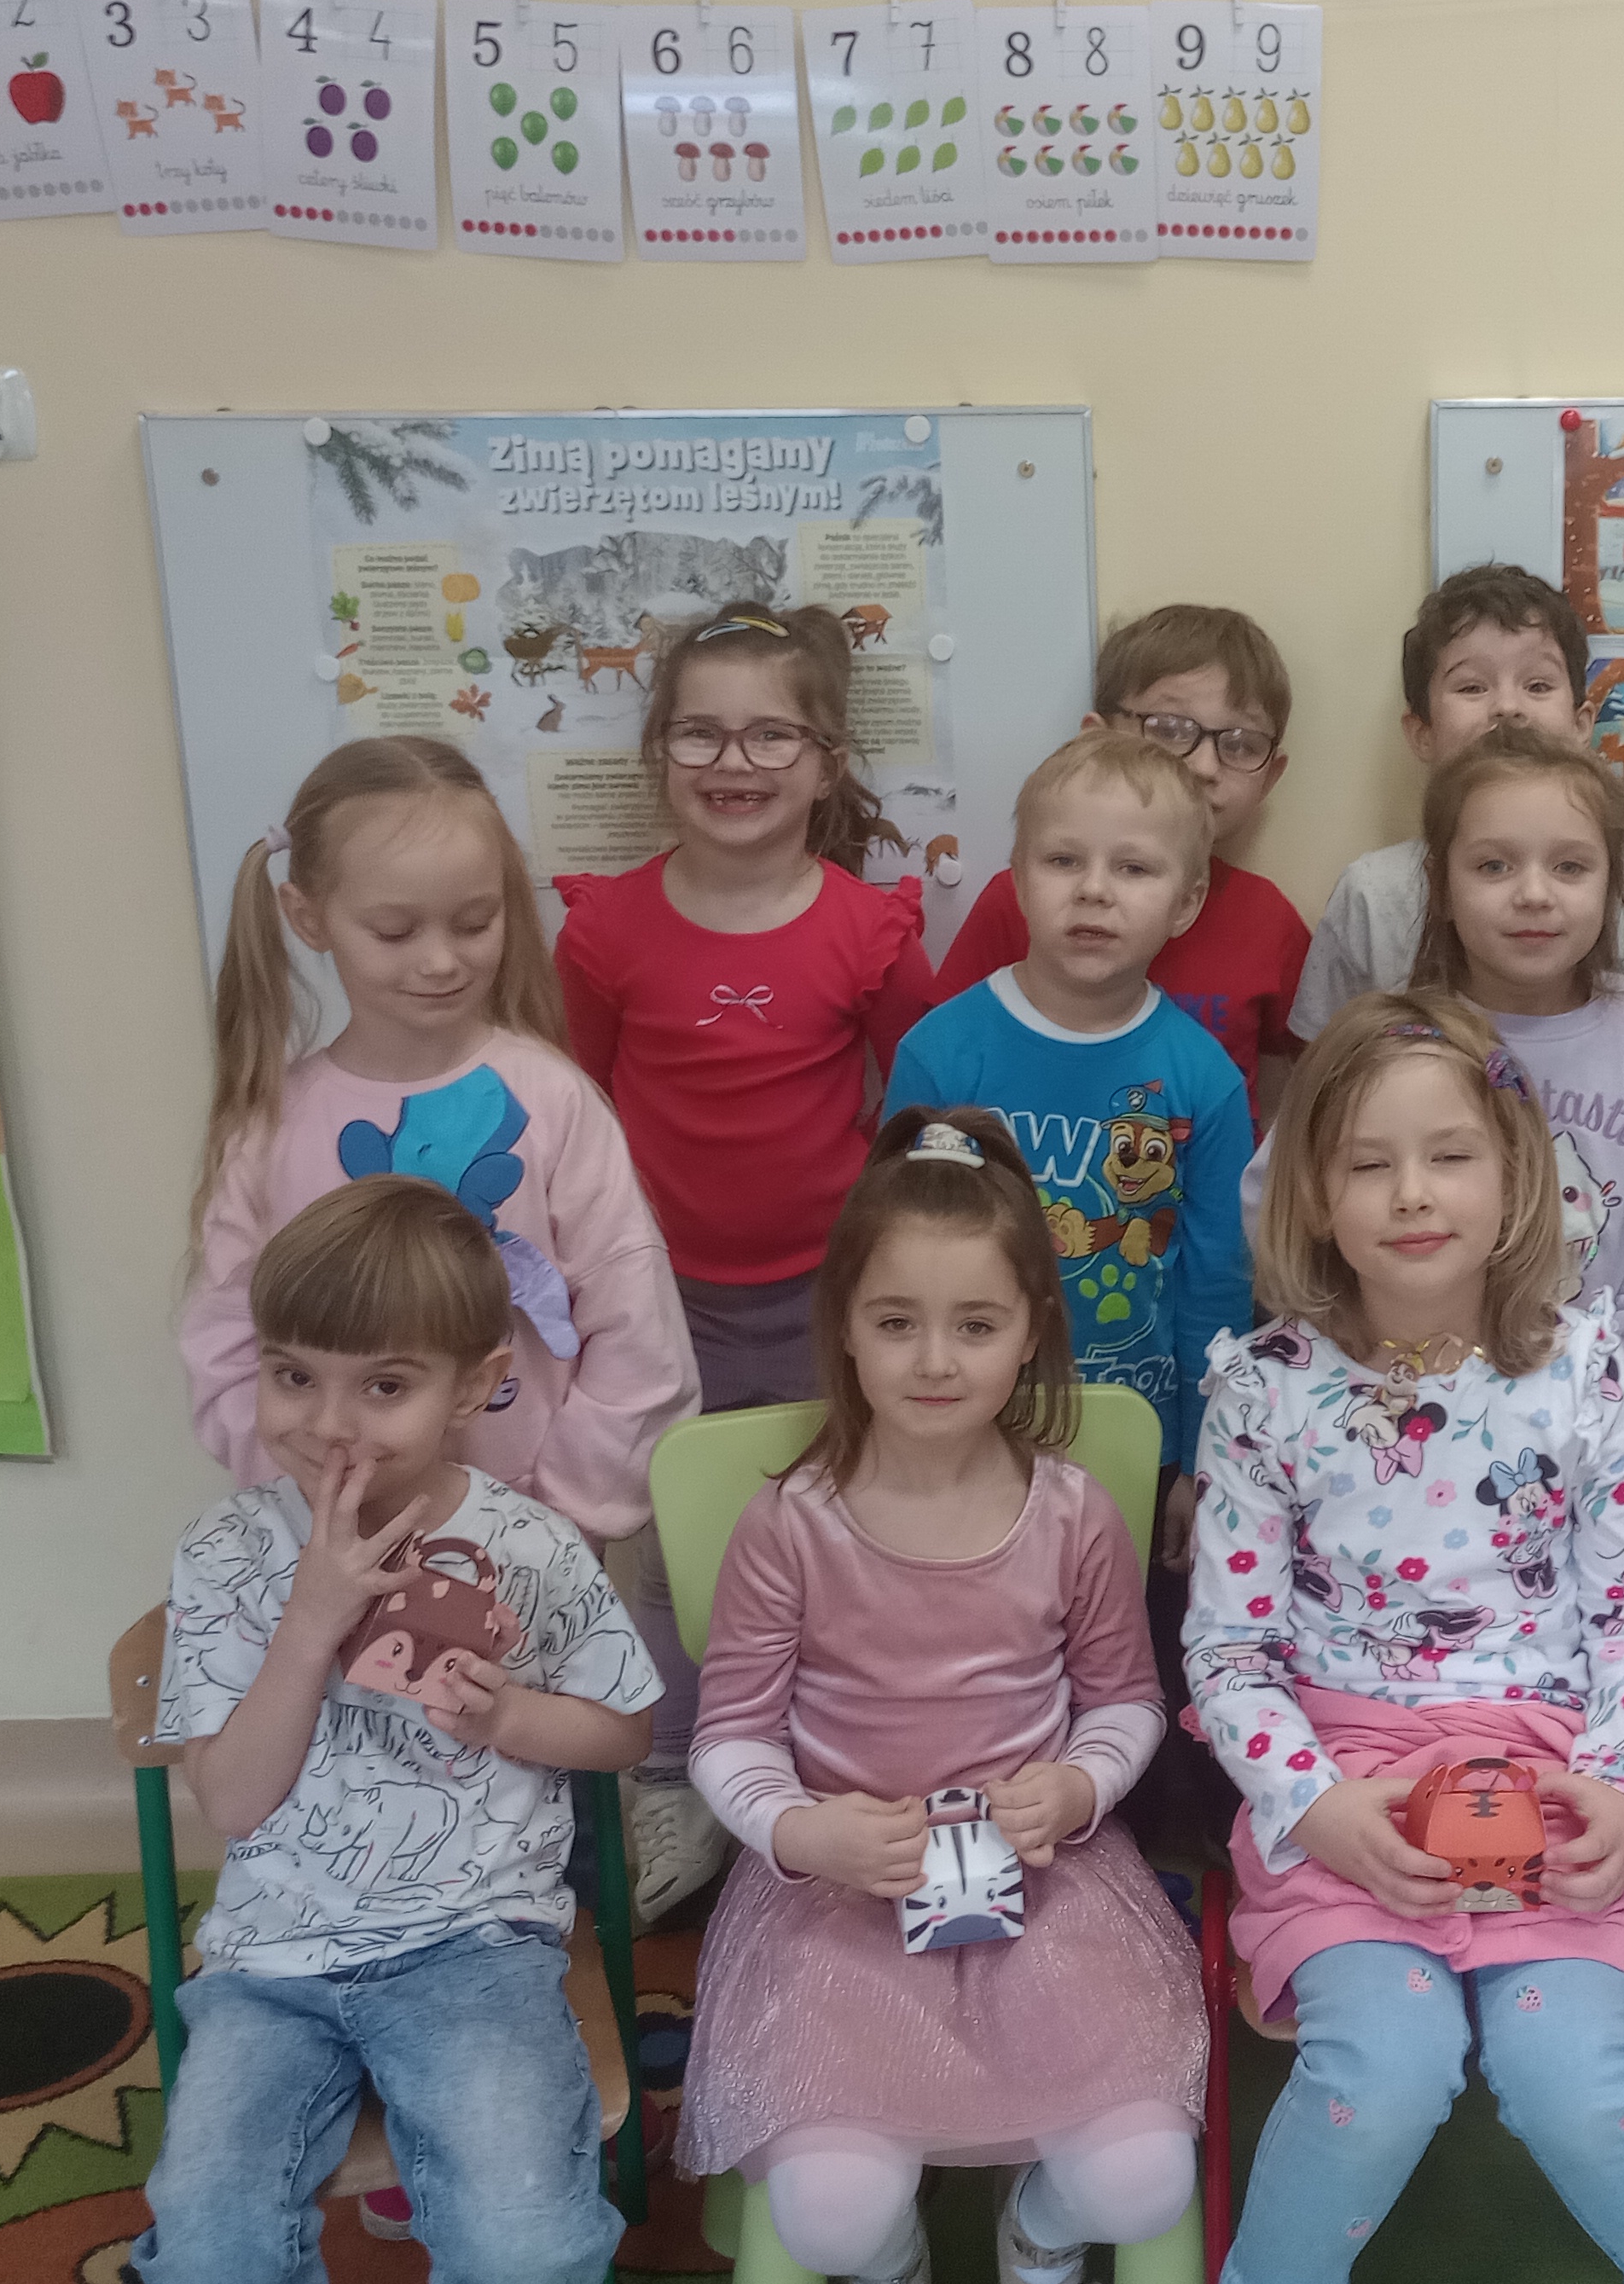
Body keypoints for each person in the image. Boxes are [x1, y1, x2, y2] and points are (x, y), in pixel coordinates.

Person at [1186, 993, 1624, 2284]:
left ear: (1513, 1177)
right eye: (1368, 1162)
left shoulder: (1587, 1374)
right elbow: (1229, 1653)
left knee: (1575, 2080)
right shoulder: (1264, 1392)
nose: (1411, 1193)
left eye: (1448, 1155)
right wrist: (1315, 1806)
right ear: (1314, 1195)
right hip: (1348, 1785)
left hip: (1549, 1777)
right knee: (1380, 2075)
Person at [673, 1110, 1207, 2284]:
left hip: (1049, 1884)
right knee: (828, 2211)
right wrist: (802, 1830)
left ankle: (1038, 2249)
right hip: (837, 1896)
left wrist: (1075, 1787)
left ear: (1031, 1332)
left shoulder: (1073, 1513)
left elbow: (1126, 1702)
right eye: (896, 1321)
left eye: (975, 1325)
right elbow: (729, 1734)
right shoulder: (791, 1525)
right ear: (845, 1328)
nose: (933, 1360)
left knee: (1142, 2180)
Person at [180, 737, 700, 1972]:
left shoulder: (553, 1100)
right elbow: (222, 1335)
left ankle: (550, 2006)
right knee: (368, 1766)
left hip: (536, 1538)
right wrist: (308, 1488)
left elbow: (636, 1324)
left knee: (546, 1791)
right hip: (336, 1542)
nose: (441, 959)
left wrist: (563, 1514)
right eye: (396, 929)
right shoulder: (273, 1122)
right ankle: (339, 1982)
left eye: (473, 922)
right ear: (309, 916)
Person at [136, 1177, 661, 2284]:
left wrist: (511, 1715)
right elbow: (233, 1803)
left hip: (475, 1947)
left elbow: (626, 1730)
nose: (330, 1423)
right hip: (273, 1969)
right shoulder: (227, 1552)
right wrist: (308, 1622)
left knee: (533, 2253)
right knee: (205, 2251)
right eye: (293, 1375)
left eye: (384, 1385)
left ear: (475, 1386)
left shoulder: (528, 1546)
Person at [554, 604, 935, 1917]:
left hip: (835, 1305)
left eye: (773, 734)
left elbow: (922, 1107)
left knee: (840, 1531)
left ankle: (827, 1765)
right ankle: (674, 1777)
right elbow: (574, 1115)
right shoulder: (605, 931)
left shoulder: (867, 930)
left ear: (827, 762)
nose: (736, 761)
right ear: (657, 753)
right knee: (676, 1548)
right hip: (663, 1306)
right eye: (701, 733)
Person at [884, 729, 1252, 1488]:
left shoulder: (1205, 1079)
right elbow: (889, 1258)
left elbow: (1216, 1284)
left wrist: (1205, 1459)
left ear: (1186, 903)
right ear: (1017, 881)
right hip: (963, 1433)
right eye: (1062, 860)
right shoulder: (941, 1054)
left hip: (1137, 1440)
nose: (1094, 890)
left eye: (1133, 867)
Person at [1409, 722, 1624, 1395]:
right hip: (1418, 1400)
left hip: (1602, 1405)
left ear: (1613, 883)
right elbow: (1284, 1208)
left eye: (1570, 867)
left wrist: (1620, 1378)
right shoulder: (1391, 1042)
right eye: (1494, 866)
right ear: (1440, 885)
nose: (1534, 893)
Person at [932, 602, 1313, 1118]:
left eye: (1241, 744)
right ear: (1097, 737)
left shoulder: (1269, 921)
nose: (1204, 766)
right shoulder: (1021, 898)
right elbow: (945, 1053)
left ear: (1270, 777)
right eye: (1170, 728)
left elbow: (1299, 1083)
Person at [1285, 565, 1624, 1041]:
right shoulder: (1371, 895)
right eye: (1471, 687)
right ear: (1422, 734)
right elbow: (1323, 1061)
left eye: (1537, 685)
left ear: (1581, 725)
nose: (1508, 707)